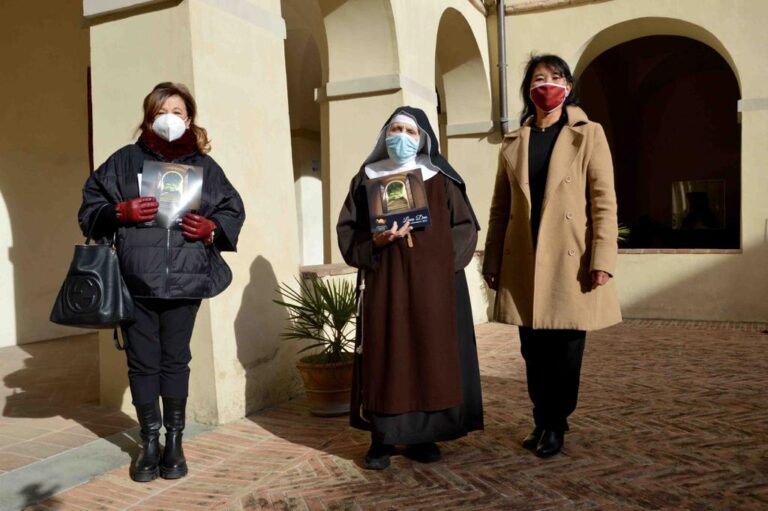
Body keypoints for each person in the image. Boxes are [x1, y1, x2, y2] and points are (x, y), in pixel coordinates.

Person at [78, 82, 245, 481]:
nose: (171, 117)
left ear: (190, 119)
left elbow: (232, 209)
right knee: (141, 363)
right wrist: (120, 211)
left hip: (186, 281)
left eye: (179, 111)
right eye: (162, 111)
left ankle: (175, 442)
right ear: (150, 116)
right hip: (134, 281)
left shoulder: (206, 167)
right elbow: (89, 209)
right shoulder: (124, 161)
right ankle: (149, 441)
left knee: (176, 360)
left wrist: (211, 228)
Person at [483, 55, 621, 458]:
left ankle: (556, 423)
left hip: (570, 258)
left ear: (569, 86)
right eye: (540, 78)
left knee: (565, 350)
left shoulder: (588, 133)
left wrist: (603, 259)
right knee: (532, 349)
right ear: (529, 89)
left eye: (556, 78)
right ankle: (542, 419)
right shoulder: (514, 141)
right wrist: (493, 260)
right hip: (524, 257)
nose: (549, 85)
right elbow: (499, 207)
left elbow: (604, 201)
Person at [337, 107, 484, 470]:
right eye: (395, 129)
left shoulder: (441, 178)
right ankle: (382, 438)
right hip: (385, 283)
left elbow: (465, 227)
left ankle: (424, 436)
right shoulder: (367, 179)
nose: (401, 137)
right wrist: (376, 240)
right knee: (387, 354)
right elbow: (348, 231)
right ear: (384, 135)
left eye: (410, 131)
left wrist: (438, 260)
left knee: (429, 354)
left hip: (434, 286)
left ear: (423, 140)